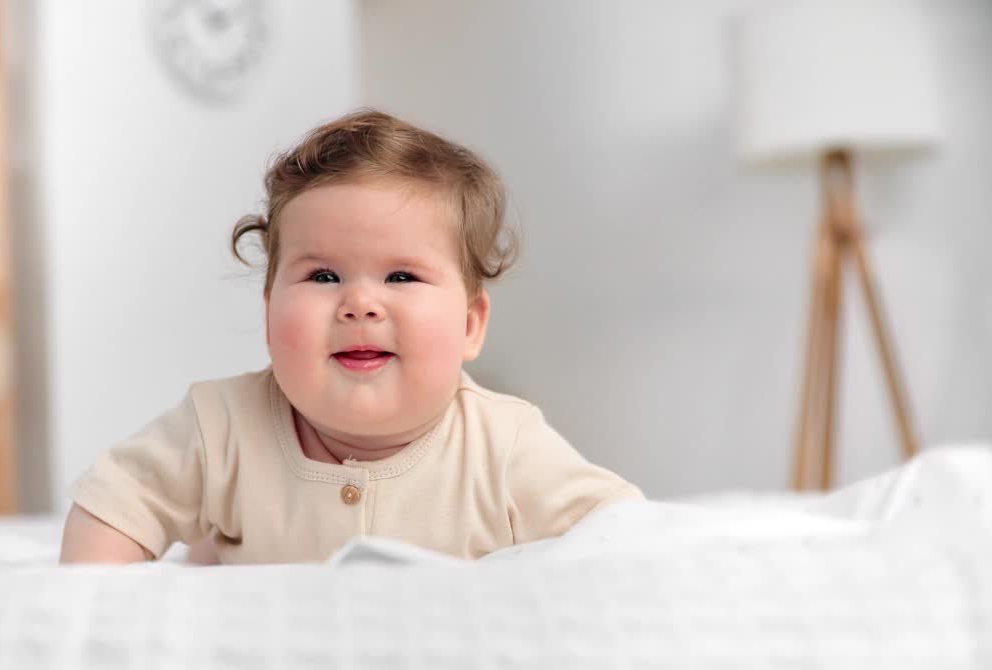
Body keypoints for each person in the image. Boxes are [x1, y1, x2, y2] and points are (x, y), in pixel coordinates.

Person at [59, 109, 642, 565]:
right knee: (205, 557)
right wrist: (94, 613)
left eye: (401, 276)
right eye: (323, 276)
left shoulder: (505, 446)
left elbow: (620, 532)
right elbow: (116, 504)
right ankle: (211, 549)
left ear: (470, 325)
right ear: (269, 315)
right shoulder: (221, 426)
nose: (360, 304)